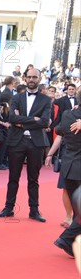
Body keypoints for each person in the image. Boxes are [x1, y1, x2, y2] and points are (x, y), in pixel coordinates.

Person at [0, 68, 51, 222]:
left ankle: (34, 210)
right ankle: (8, 207)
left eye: (35, 77)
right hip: (17, 142)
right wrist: (34, 120)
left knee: (34, 179)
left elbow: (45, 121)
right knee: (13, 177)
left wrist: (23, 121)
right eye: (29, 77)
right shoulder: (17, 97)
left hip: (36, 143)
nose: (32, 79)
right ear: (25, 78)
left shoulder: (46, 100)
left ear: (39, 79)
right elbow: (12, 118)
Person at [51, 98, 81, 257]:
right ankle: (66, 239)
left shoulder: (68, 113)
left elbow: (61, 130)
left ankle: (73, 245)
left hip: (68, 167)